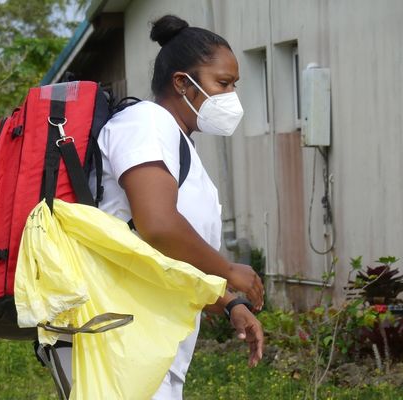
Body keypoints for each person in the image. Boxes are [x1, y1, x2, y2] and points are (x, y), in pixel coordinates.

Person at [53, 14, 265, 399]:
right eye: (222, 83)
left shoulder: (177, 141)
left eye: (234, 84)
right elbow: (158, 225)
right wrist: (228, 270)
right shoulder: (146, 124)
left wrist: (228, 300)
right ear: (182, 82)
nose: (231, 96)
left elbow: (158, 254)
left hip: (146, 346)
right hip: (117, 340)